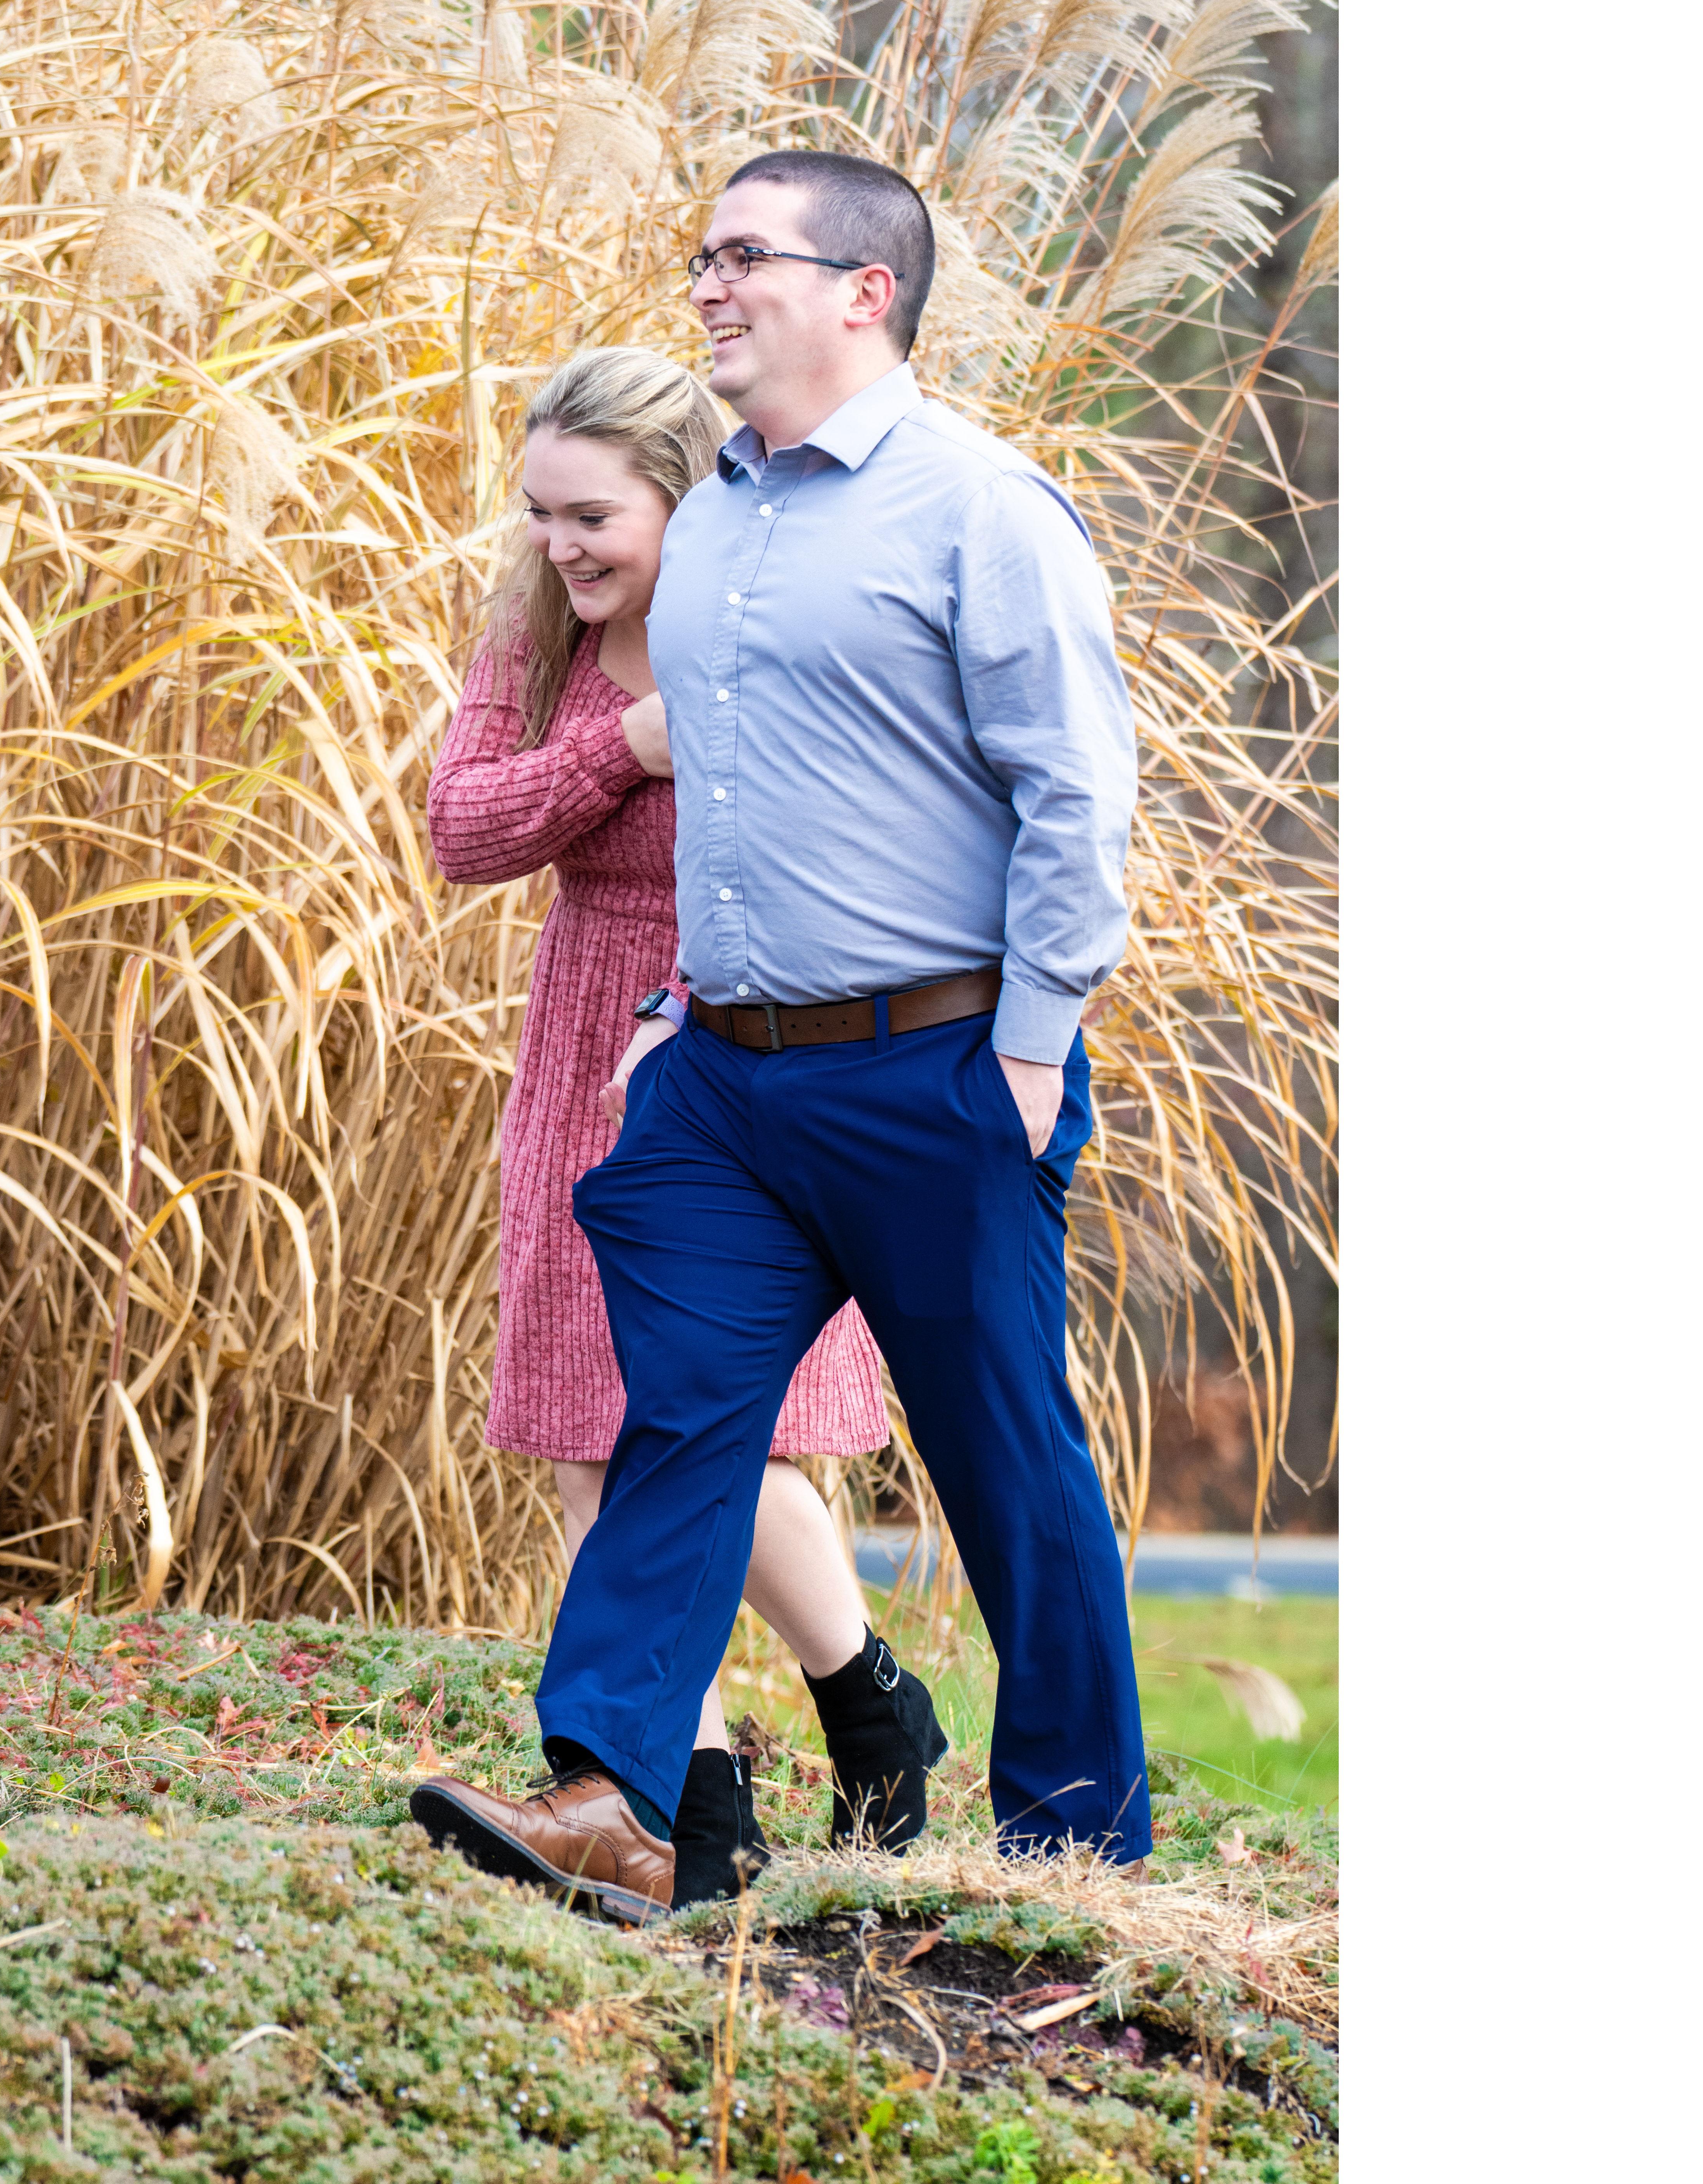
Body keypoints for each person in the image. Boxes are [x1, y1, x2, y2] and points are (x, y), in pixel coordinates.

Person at [412, 148, 1147, 1925]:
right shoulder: (722, 514)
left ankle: (1072, 1851)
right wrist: (676, 1012)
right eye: (702, 256)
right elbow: (733, 800)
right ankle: (617, 1795)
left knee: (1003, 1451)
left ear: (861, 292)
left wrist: (1032, 1045)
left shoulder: (981, 511)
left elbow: (1076, 792)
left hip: (935, 1069)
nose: (708, 286)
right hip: (721, 1074)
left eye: (746, 256)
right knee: (671, 1426)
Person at [420, 346, 948, 1910]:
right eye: (539, 515)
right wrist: (617, 748)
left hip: (737, 1047)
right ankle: (690, 1802)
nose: (560, 548)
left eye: (593, 517)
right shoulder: (532, 642)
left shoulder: (768, 619)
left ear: (682, 497)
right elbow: (465, 830)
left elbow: (864, 832)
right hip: (580, 1041)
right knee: (589, 1428)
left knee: (734, 1430)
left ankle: (867, 1701)